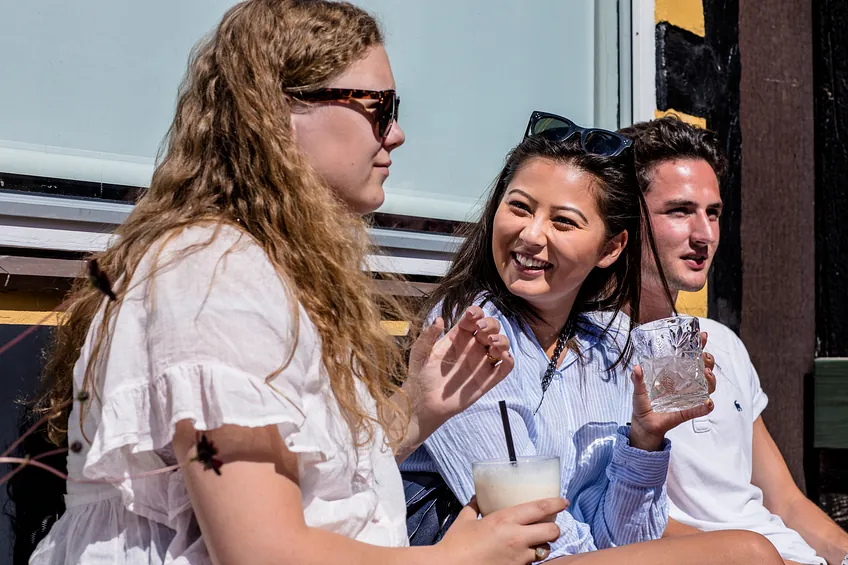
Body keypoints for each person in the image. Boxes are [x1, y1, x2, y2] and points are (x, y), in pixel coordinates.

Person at [27, 2, 568, 564]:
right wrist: (455, 559)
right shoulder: (215, 278)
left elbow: (314, 482)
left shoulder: (261, 268)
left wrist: (417, 407)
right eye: (378, 107)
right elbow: (263, 550)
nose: (398, 133)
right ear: (281, 111)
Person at [401, 111, 783, 565]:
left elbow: (625, 534)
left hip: (565, 554)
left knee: (748, 552)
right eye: (519, 207)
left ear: (610, 248)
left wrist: (646, 440)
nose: (530, 234)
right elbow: (523, 532)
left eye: (562, 221)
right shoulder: (468, 329)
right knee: (747, 554)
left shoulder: (607, 348)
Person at [619, 115, 848, 565]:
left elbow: (785, 502)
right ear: (625, 216)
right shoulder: (594, 353)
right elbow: (630, 521)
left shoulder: (721, 344)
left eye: (713, 213)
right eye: (680, 211)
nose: (704, 235)